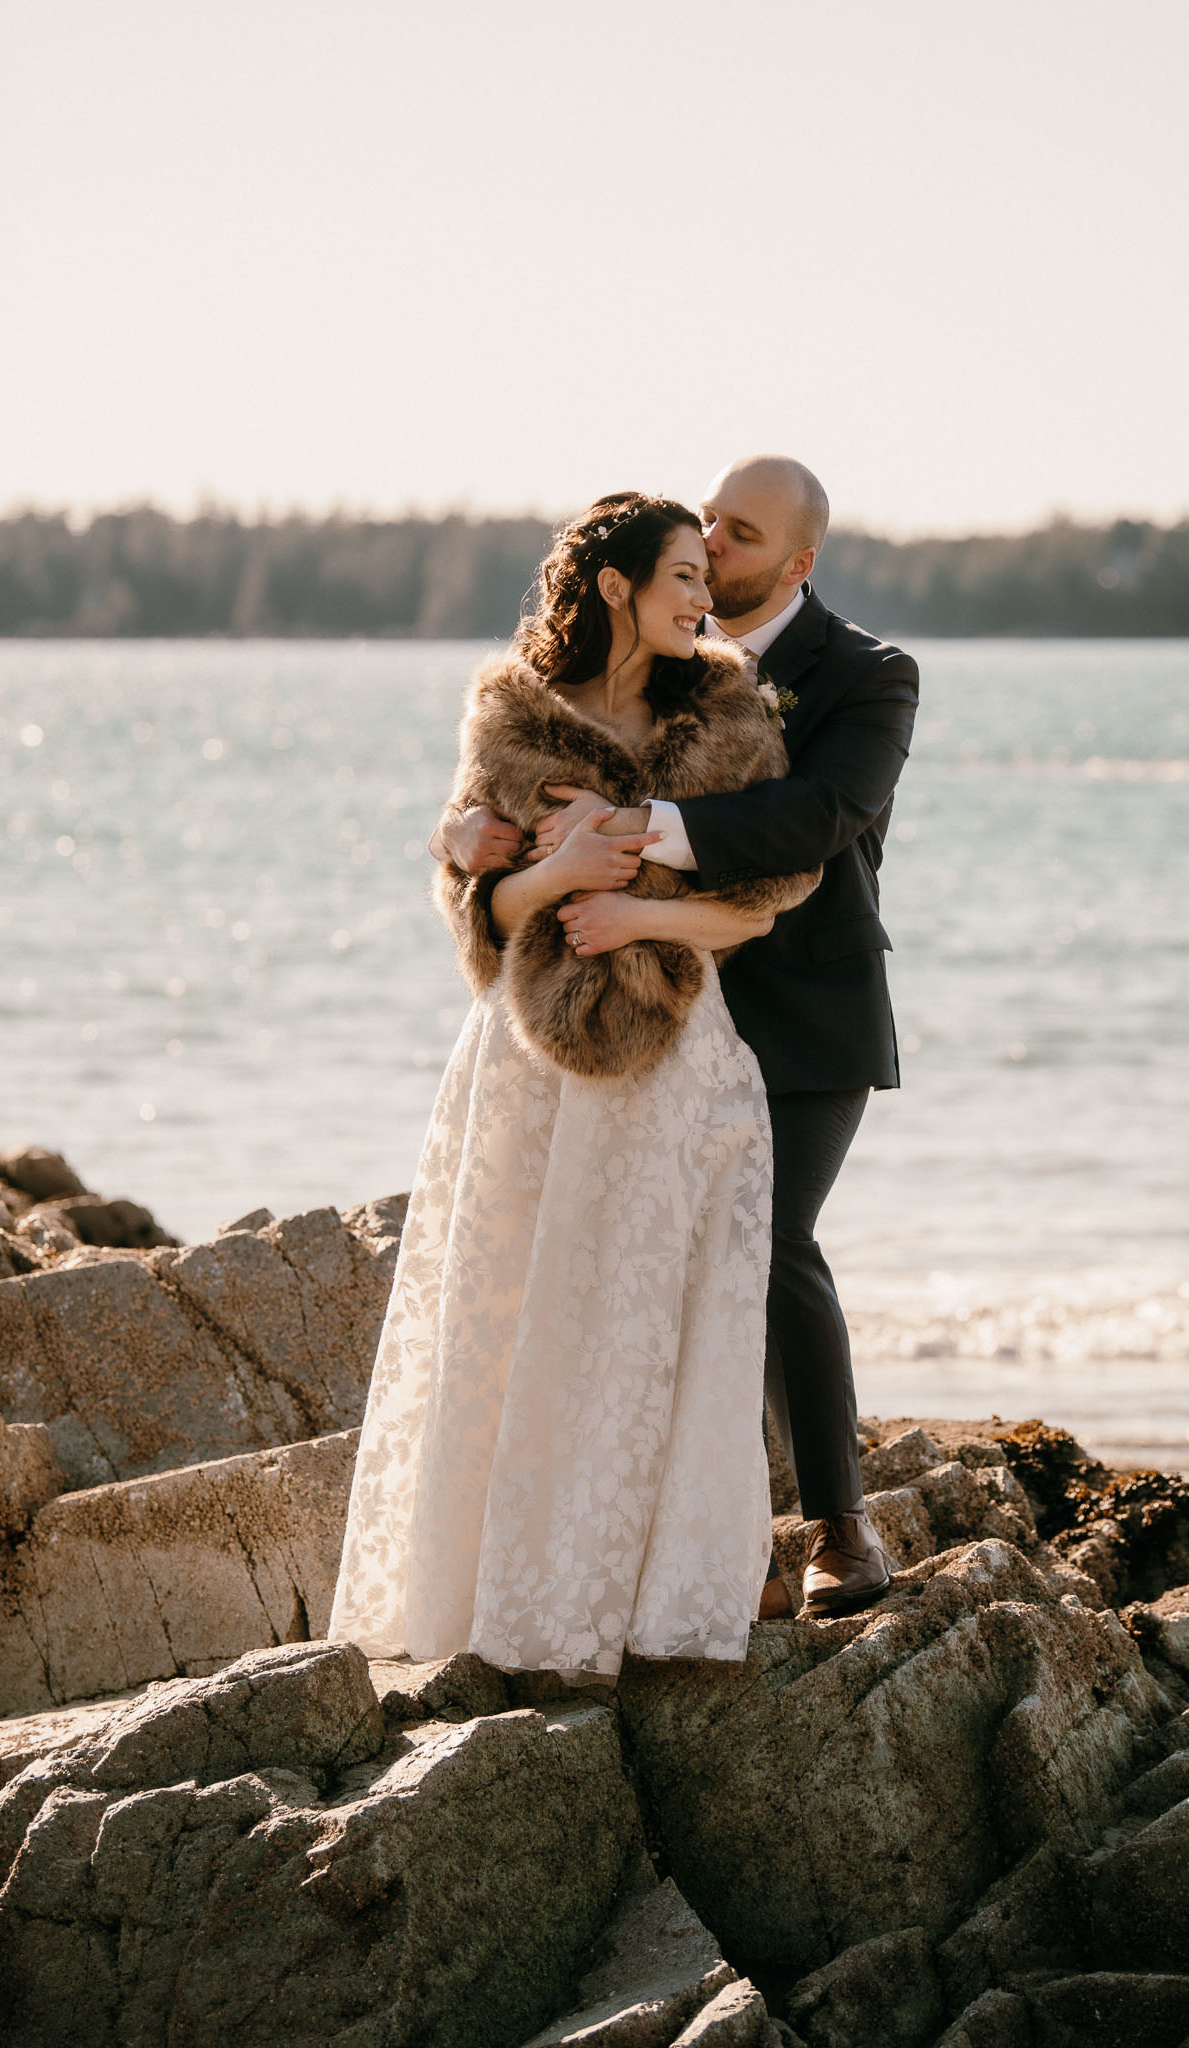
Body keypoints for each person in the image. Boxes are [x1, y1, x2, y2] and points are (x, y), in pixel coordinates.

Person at [328, 493, 818, 1679]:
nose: (706, 600)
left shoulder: (726, 719)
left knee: (646, 1318)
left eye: (711, 575)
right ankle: (502, 1598)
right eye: (685, 575)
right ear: (615, 586)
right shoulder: (512, 724)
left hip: (674, 1055)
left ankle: (643, 1590)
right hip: (524, 1060)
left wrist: (634, 902)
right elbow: (480, 916)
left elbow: (763, 900)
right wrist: (555, 874)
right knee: (513, 1319)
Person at [436, 457, 919, 1620]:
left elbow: (816, 816)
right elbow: (514, 799)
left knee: (770, 1238)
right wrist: (473, 840)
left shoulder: (867, 675)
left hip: (800, 1011)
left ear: (798, 562)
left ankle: (838, 1523)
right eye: (703, 529)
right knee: (659, 1270)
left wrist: (639, 832)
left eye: (739, 537)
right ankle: (698, 1532)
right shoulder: (659, 664)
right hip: (644, 1009)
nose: (713, 549)